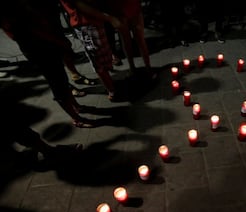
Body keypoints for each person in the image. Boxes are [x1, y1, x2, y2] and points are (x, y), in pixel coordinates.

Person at [1, 0, 98, 128]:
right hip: (39, 50)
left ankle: (76, 106)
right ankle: (76, 118)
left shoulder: (16, 10)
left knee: (62, 80)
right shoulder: (12, 12)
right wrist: (59, 41)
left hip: (42, 47)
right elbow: (32, 30)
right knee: (58, 86)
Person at [59, 0, 124, 101]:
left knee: (103, 58)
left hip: (92, 21)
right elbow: (80, 5)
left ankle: (111, 87)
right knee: (98, 62)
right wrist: (109, 18)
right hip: (86, 23)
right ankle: (112, 92)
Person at [105, 0, 156, 79]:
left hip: (129, 6)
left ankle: (145, 67)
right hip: (120, 8)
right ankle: (135, 68)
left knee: (137, 39)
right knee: (128, 40)